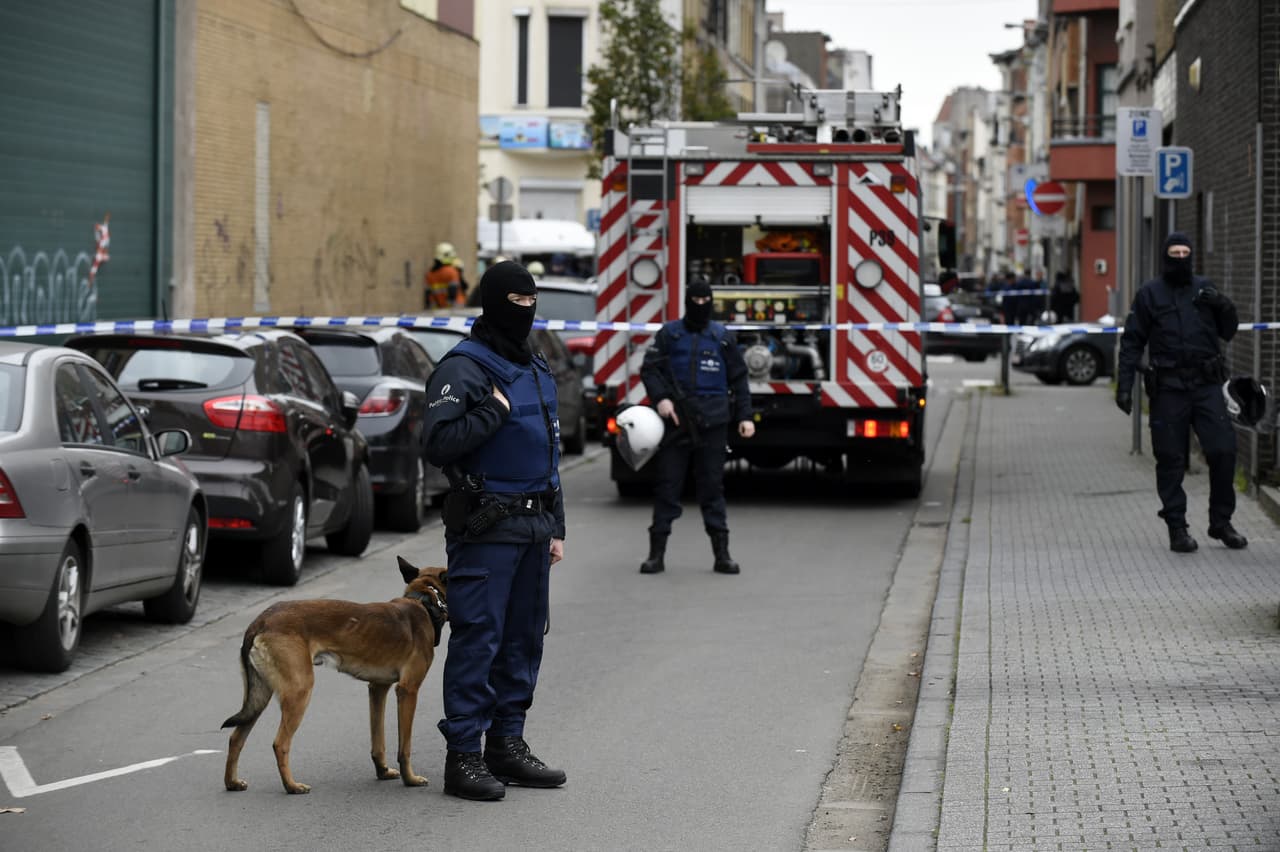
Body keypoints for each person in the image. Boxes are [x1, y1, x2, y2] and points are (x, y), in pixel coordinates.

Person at [423, 261, 567, 801]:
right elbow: (438, 443)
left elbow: (549, 452)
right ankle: (462, 757)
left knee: (524, 641)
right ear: (493, 302)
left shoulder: (533, 363)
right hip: (486, 527)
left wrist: (557, 527)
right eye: (517, 302)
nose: (526, 311)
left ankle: (506, 746)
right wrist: (491, 415)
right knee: (479, 640)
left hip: (533, 526)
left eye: (533, 302)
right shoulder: (464, 368)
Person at [1115, 232, 1247, 554]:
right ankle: (1177, 528)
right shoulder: (1150, 294)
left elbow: (1229, 329)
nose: (1180, 258)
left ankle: (1221, 522)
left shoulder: (1204, 289)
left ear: (1192, 256)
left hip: (1205, 386)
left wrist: (1222, 304)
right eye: (1174, 252)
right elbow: (1132, 341)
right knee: (1171, 459)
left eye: (1185, 252)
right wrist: (1124, 384)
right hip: (1169, 389)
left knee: (1223, 450)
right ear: (1165, 256)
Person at [638, 278, 755, 575]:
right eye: (695, 301)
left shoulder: (722, 337)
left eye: (705, 301)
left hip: (713, 423)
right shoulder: (670, 335)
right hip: (676, 423)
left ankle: (722, 554)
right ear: (687, 301)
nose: (700, 306)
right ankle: (656, 554)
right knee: (667, 487)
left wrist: (745, 416)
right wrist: (662, 399)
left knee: (712, 489)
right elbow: (650, 369)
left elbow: (739, 379)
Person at [426, 242, 466, 309]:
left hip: (438, 309)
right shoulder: (451, 271)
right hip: (455, 308)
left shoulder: (430, 274)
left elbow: (428, 294)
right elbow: (453, 291)